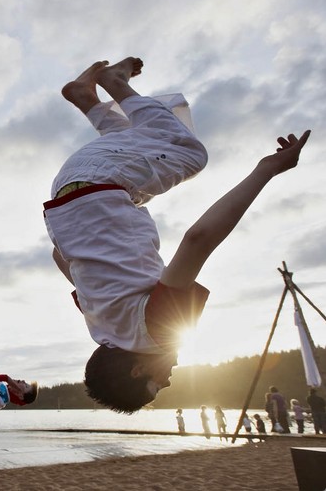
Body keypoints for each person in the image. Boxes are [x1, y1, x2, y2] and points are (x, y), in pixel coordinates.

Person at [44, 57, 311, 414]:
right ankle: (85, 98)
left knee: (188, 152)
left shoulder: (157, 333)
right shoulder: (102, 329)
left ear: (137, 370)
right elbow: (61, 260)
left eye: (158, 386)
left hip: (102, 181)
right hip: (67, 194)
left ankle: (114, 81)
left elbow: (198, 239)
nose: (170, 379)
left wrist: (268, 170)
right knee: (141, 141)